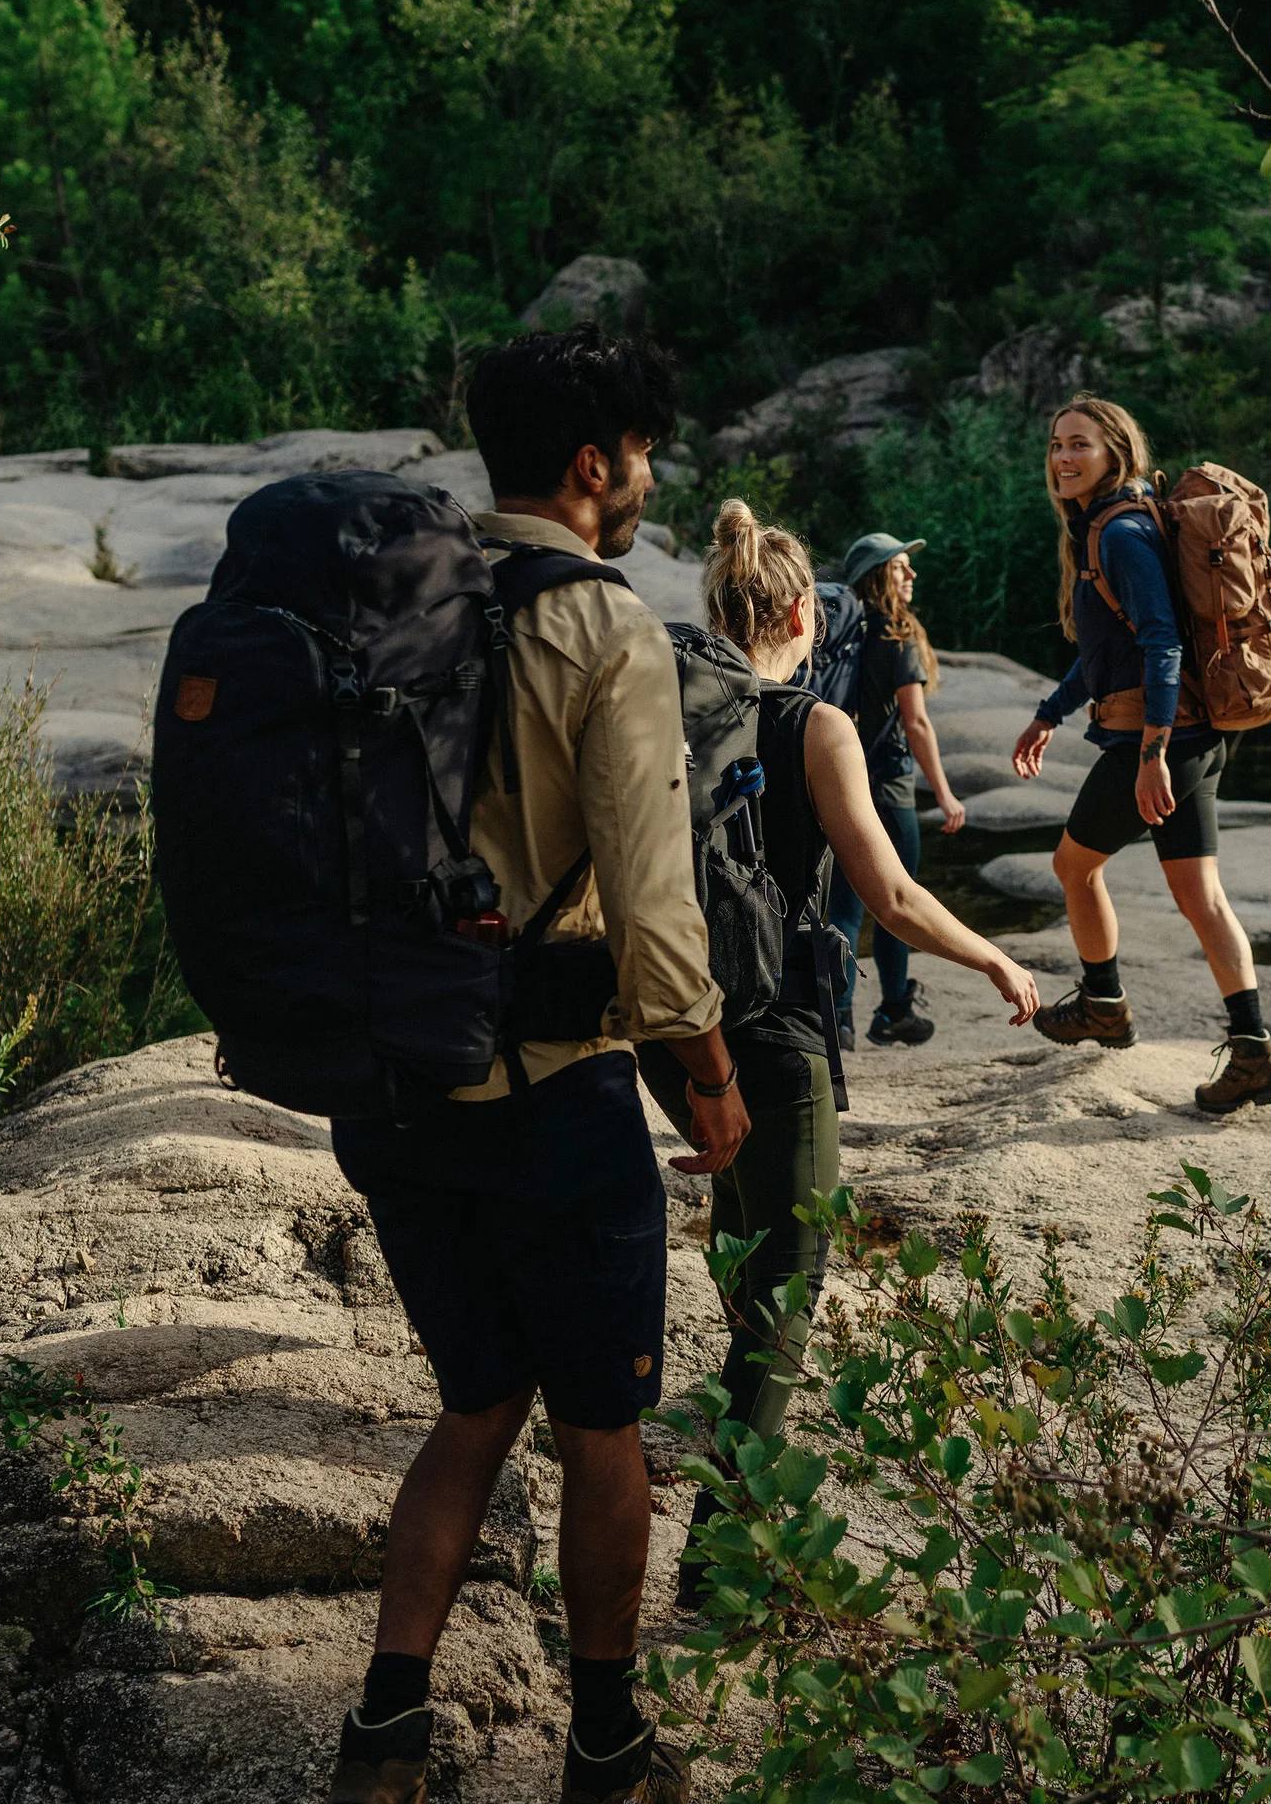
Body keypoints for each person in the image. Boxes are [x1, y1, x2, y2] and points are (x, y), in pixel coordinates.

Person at [324, 328, 747, 1804]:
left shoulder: (393, 598)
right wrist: (708, 1075)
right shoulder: (605, 628)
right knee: (602, 1425)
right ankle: (608, 1746)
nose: (647, 481)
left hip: (389, 1086)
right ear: (591, 463)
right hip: (550, 1095)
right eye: (641, 456)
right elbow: (654, 910)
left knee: (476, 1403)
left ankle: (385, 1730)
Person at [642, 498, 1038, 1606]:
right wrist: (992, 958)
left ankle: (734, 1460)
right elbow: (892, 896)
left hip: (675, 1031)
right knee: (788, 1281)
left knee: (746, 1244)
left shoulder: (662, 711)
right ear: (799, 619)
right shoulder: (816, 726)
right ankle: (721, 1564)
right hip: (773, 1031)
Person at [1009, 396, 1271, 1113]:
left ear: (1117, 453)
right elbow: (1109, 651)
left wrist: (1152, 755)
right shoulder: (1119, 523)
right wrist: (1049, 713)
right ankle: (1253, 1052)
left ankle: (1104, 1003)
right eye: (1056, 444)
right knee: (1202, 898)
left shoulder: (1123, 532)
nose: (1063, 457)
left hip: (1160, 739)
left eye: (1080, 444)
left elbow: (1162, 643)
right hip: (1194, 737)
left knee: (1073, 867)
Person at [825, 531, 968, 1048]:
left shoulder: (845, 631)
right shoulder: (896, 633)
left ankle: (837, 1019)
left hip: (841, 780)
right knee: (898, 901)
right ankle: (893, 1011)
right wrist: (944, 794)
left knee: (844, 906)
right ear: (879, 575)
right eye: (901, 567)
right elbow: (917, 722)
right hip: (888, 787)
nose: (912, 574)